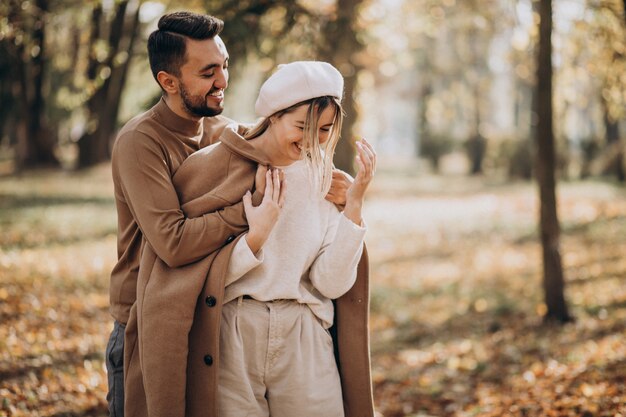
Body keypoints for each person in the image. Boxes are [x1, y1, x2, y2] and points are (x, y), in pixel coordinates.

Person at [106, 11, 353, 417]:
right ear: (168, 81)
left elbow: (285, 156)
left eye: (224, 66)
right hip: (147, 320)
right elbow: (173, 241)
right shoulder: (141, 142)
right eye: (207, 72)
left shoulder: (226, 134)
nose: (222, 81)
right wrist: (249, 213)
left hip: (205, 315)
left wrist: (331, 185)